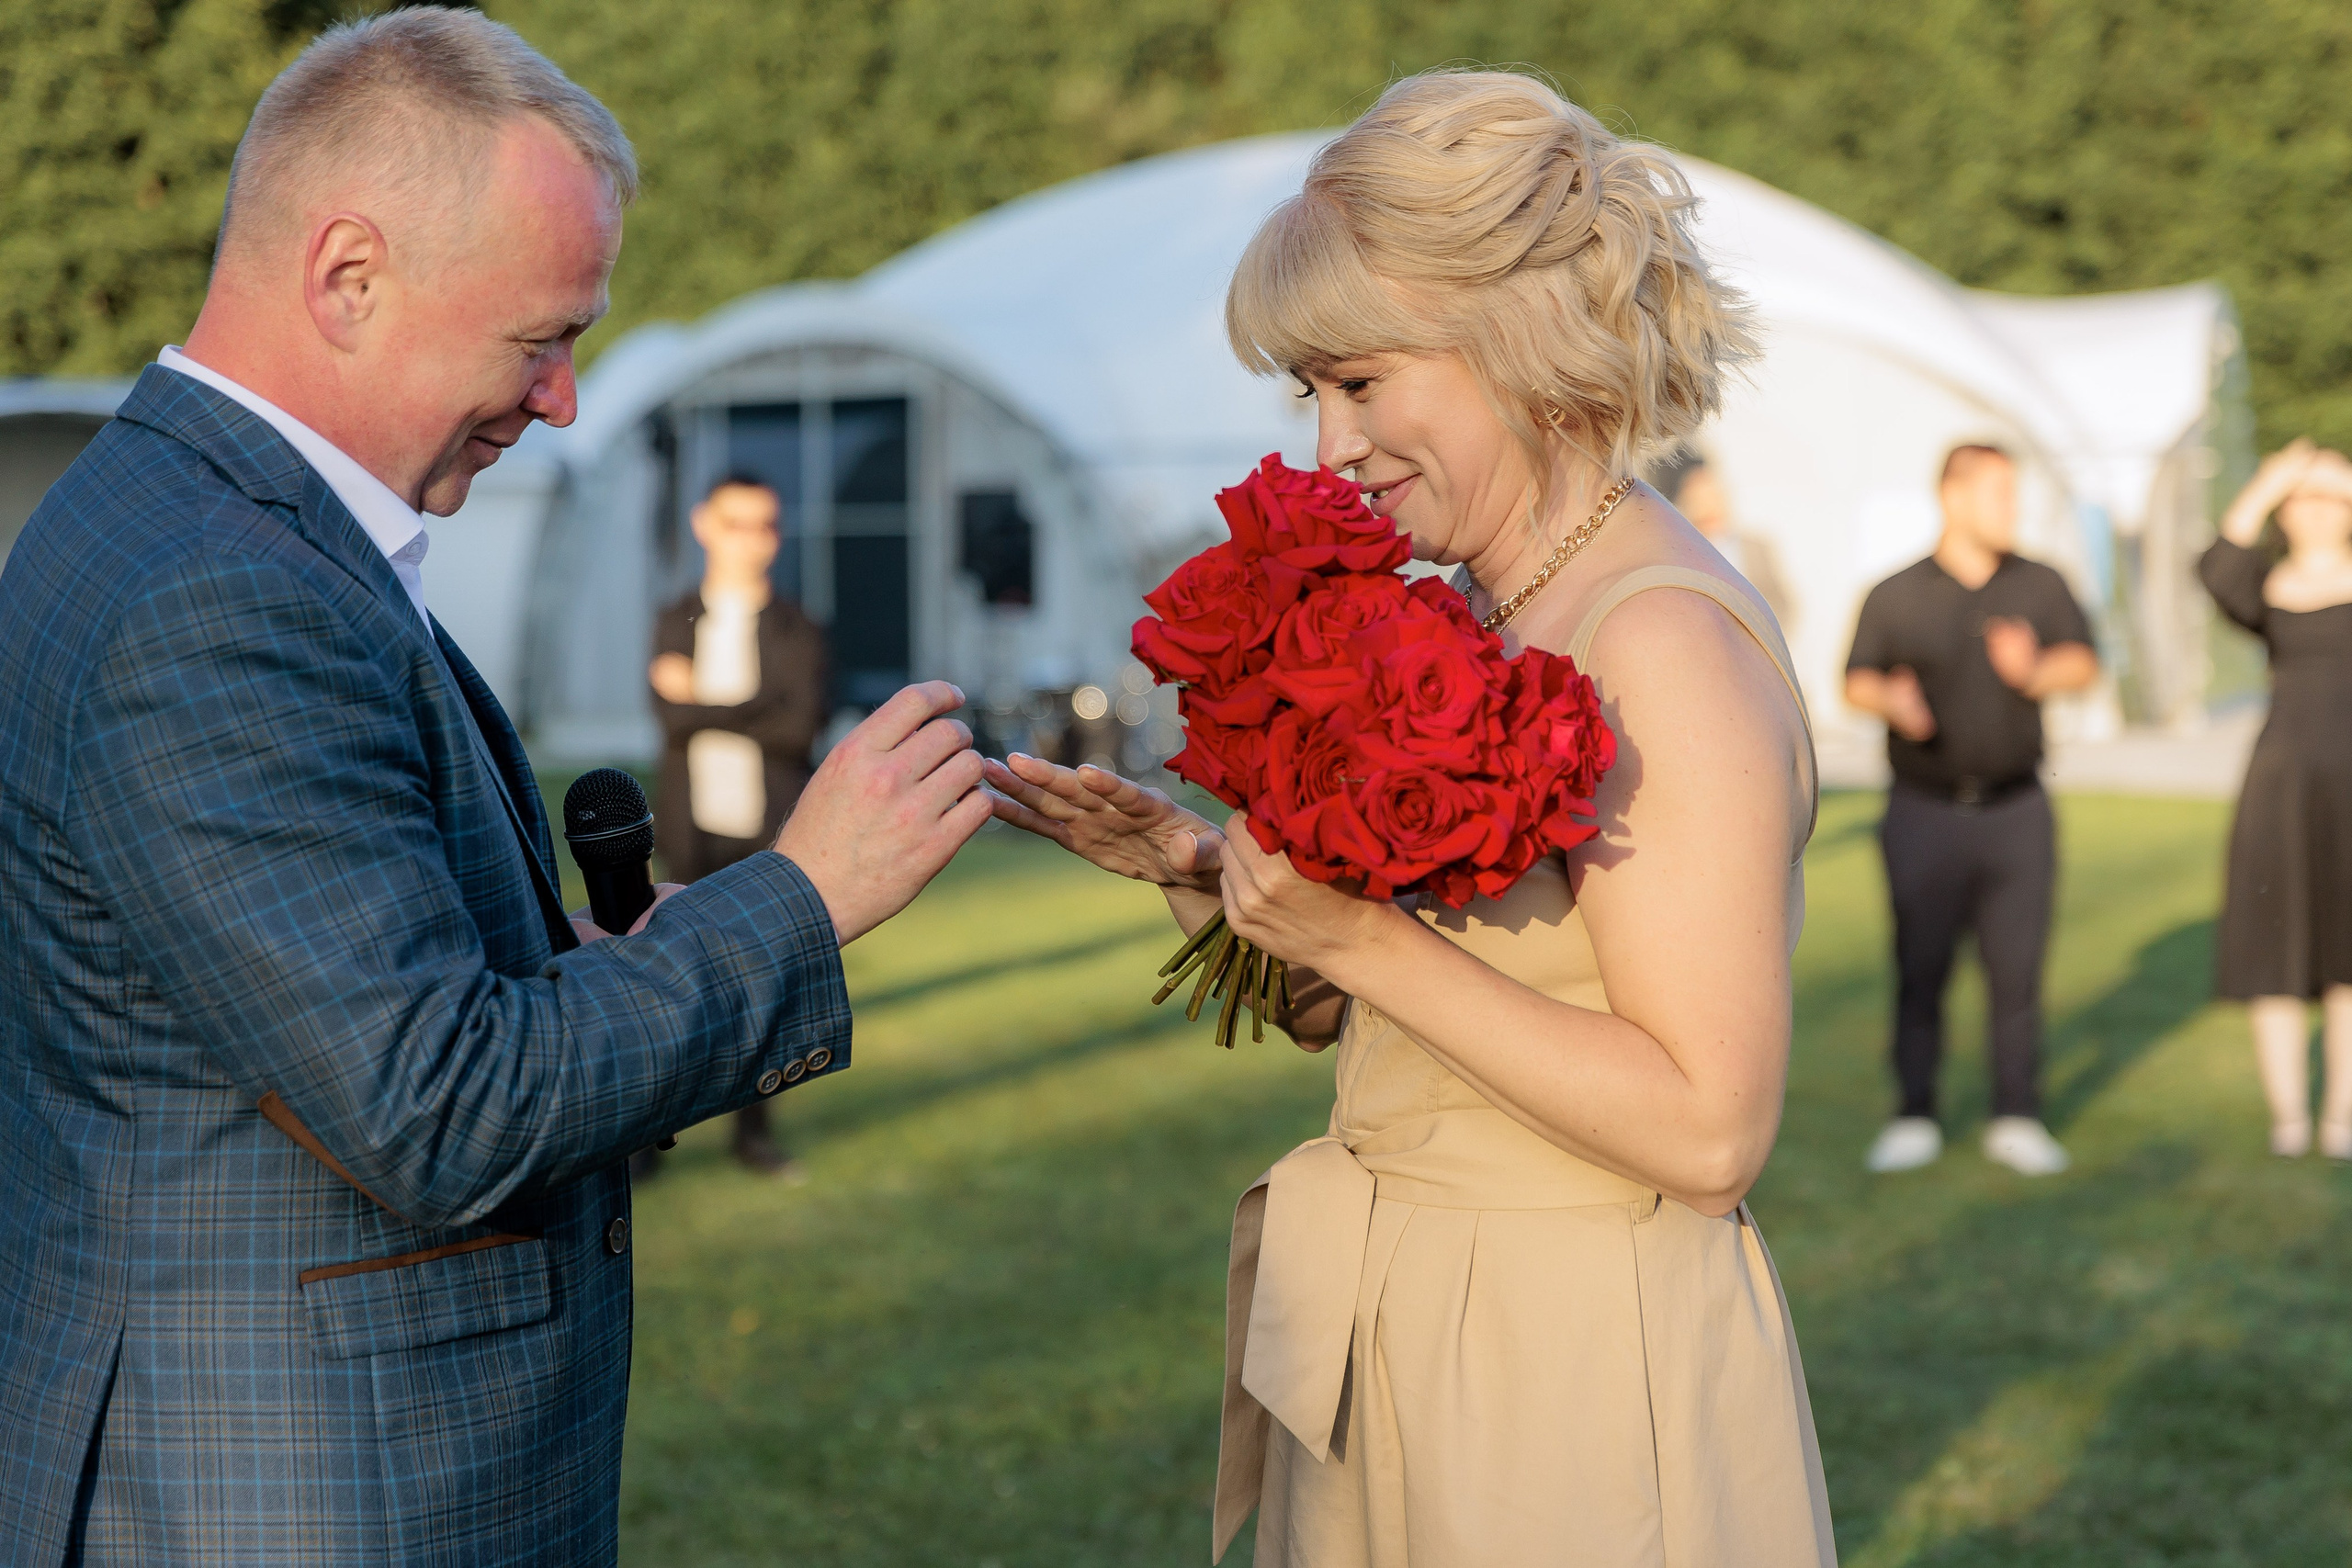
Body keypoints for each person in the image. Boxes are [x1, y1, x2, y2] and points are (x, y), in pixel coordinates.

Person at [0, 12, 988, 1564]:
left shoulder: (210, 524)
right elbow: (442, 1107)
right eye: (539, 338)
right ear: (348, 276)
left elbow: (300, 1012)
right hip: (283, 1488)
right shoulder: (215, 590)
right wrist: (805, 897)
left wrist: (581, 964)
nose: (564, 398)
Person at [987, 71, 1835, 1566]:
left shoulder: (1657, 645)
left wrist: (1362, 939)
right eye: (1309, 394)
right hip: (1414, 1326)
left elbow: (1709, 1128)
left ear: (1522, 339)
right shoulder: (1485, 606)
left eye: (1362, 382)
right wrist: (1206, 876)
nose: (1331, 447)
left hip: (1564, 1376)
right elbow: (1406, 1021)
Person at [1845, 444, 2099, 1178]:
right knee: (1920, 966)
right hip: (1922, 810)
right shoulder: (1895, 593)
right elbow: (1855, 678)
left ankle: (2016, 1115)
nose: (2011, 510)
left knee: (2017, 972)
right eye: (1998, 494)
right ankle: (1914, 1113)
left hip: (2017, 810)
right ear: (1952, 496)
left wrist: (2034, 669)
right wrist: (1891, 700)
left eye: (2014, 495)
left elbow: (2083, 662)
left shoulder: (2041, 582)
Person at [640, 473, 831, 1178]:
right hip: (691, 827)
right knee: (670, 986)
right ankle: (648, 1139)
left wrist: (705, 703)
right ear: (704, 525)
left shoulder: (797, 627)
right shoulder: (675, 618)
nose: (753, 541)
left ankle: (753, 1133)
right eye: (737, 523)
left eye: (766, 525)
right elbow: (670, 720)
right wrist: (755, 703)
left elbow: (798, 728)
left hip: (766, 827)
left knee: (761, 985)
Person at [2199, 439, 2352, 1157]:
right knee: (2276, 946)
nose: (2315, 512)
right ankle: (2288, 1115)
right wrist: (2269, 480)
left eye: (2330, 499)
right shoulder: (2266, 589)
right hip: (2281, 783)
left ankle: (2342, 1116)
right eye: (2303, 500)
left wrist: (2341, 476)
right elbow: (2216, 565)